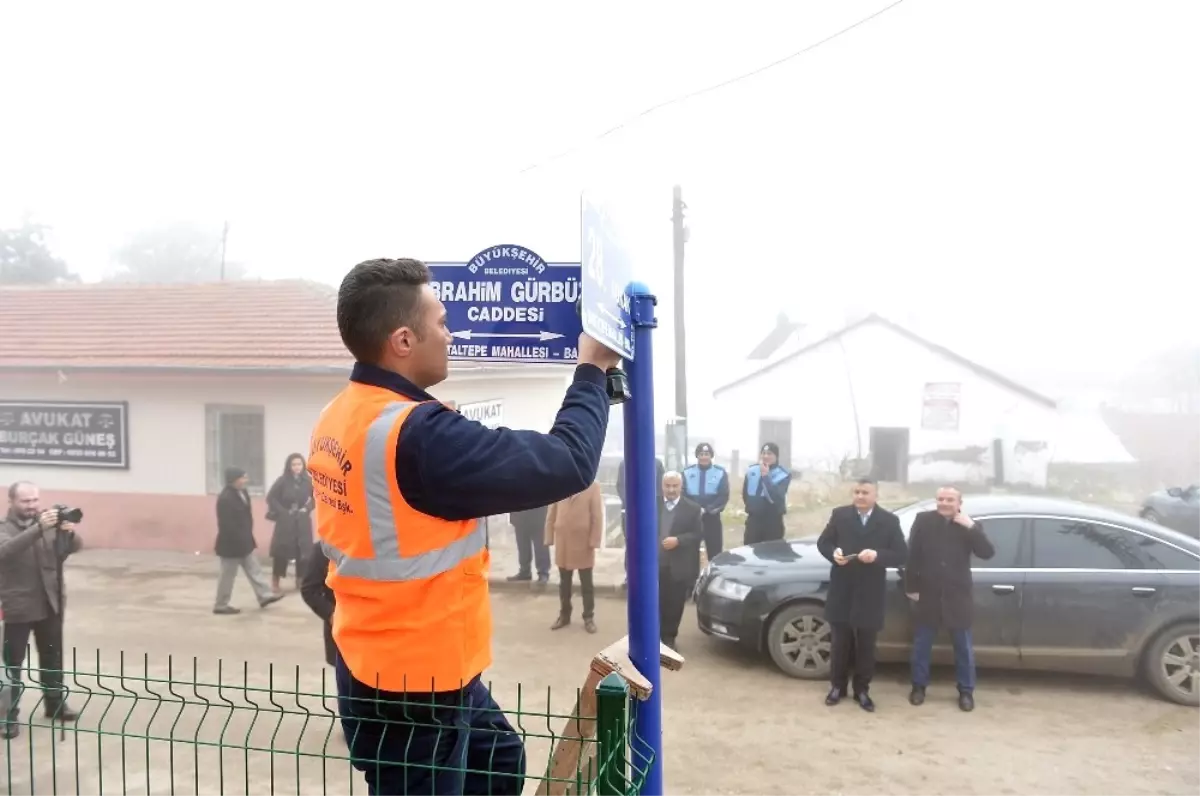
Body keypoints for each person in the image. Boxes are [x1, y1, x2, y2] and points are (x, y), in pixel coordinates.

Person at [307, 257, 619, 796]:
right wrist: (592, 370)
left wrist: (431, 420)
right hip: (415, 683)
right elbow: (568, 461)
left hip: (381, 661)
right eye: (443, 323)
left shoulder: (345, 412)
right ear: (403, 340)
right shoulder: (420, 436)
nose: (451, 335)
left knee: (497, 758)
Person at [816, 478, 907, 712]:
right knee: (839, 644)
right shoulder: (840, 515)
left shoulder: (888, 521)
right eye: (856, 492)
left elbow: (900, 554)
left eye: (865, 492)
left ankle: (862, 690)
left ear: (875, 495)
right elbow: (823, 543)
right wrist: (832, 553)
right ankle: (837, 687)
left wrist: (877, 555)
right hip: (842, 588)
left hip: (870, 591)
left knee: (866, 646)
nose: (860, 496)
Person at [0, 481, 82, 737]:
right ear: (11, 501)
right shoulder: (5, 528)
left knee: (51, 657)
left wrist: (69, 533)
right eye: (26, 501)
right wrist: (38, 529)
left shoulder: (48, 524)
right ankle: (7, 716)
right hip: (19, 606)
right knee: (11, 664)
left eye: (35, 500)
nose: (32, 505)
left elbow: (73, 548)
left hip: (51, 601)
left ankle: (55, 704)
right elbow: (5, 552)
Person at [905, 486, 995, 712]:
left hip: (958, 596)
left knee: (963, 648)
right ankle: (918, 687)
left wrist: (972, 528)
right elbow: (912, 555)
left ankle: (966, 691)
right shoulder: (924, 521)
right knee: (921, 646)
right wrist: (911, 587)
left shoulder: (969, 525)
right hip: (928, 593)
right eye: (941, 499)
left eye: (949, 500)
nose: (944, 503)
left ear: (959, 502)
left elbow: (987, 553)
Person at [213, 467, 284, 615]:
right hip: (230, 545)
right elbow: (226, 524)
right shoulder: (225, 498)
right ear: (234, 479)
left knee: (254, 569)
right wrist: (239, 540)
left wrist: (247, 538)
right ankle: (220, 604)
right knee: (227, 576)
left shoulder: (243, 493)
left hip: (245, 541)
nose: (246, 480)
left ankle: (265, 596)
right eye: (243, 477)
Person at [545, 482, 603, 634]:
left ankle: (588, 617)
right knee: (564, 583)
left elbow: (597, 516)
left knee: (587, 584)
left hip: (583, 543)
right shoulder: (560, 485)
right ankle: (564, 615)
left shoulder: (592, 487)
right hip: (563, 542)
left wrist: (594, 540)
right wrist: (549, 536)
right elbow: (551, 512)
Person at [657, 471, 703, 652]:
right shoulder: (652, 504)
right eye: (667, 486)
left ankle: (669, 638)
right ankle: (654, 637)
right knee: (655, 602)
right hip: (655, 564)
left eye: (675, 486)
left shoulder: (692, 508)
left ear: (681, 486)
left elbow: (698, 534)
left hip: (678, 565)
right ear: (662, 486)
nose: (671, 489)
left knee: (674, 604)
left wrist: (679, 540)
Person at [266, 453, 315, 594]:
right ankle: (276, 580)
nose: (297, 467)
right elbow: (271, 498)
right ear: (289, 466)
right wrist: (282, 512)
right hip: (286, 521)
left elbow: (316, 497)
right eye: (294, 464)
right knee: (281, 551)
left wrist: (307, 508)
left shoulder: (308, 481)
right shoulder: (283, 481)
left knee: (303, 551)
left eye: (299, 464)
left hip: (302, 520)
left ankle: (300, 580)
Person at [616, 456, 665, 590]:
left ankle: (651, 575)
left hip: (651, 512)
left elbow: (661, 489)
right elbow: (620, 486)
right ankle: (630, 576)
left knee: (651, 543)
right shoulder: (624, 464)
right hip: (630, 512)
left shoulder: (657, 464)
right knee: (631, 544)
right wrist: (632, 502)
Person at [682, 443, 729, 564]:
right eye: (701, 454)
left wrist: (708, 509)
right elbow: (683, 495)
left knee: (715, 554)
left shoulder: (720, 472)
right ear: (697, 456)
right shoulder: (687, 472)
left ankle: (714, 578)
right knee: (689, 553)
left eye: (707, 454)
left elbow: (723, 495)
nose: (704, 457)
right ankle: (691, 580)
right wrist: (695, 510)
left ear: (711, 456)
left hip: (712, 518)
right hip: (692, 519)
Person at [742, 443, 792, 545]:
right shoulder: (751, 471)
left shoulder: (783, 474)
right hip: (754, 520)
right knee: (749, 551)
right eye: (763, 453)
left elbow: (776, 497)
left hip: (772, 521)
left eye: (769, 454)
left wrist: (765, 476)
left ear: (776, 456)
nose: (766, 456)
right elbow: (745, 494)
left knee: (771, 554)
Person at [299, 538, 337, 669]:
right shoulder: (325, 548)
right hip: (342, 634)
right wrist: (331, 614)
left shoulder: (386, 545)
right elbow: (309, 589)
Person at [506, 504, 551, 587]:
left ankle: (543, 573)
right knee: (522, 547)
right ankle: (525, 571)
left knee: (540, 546)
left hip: (538, 516)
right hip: (519, 516)